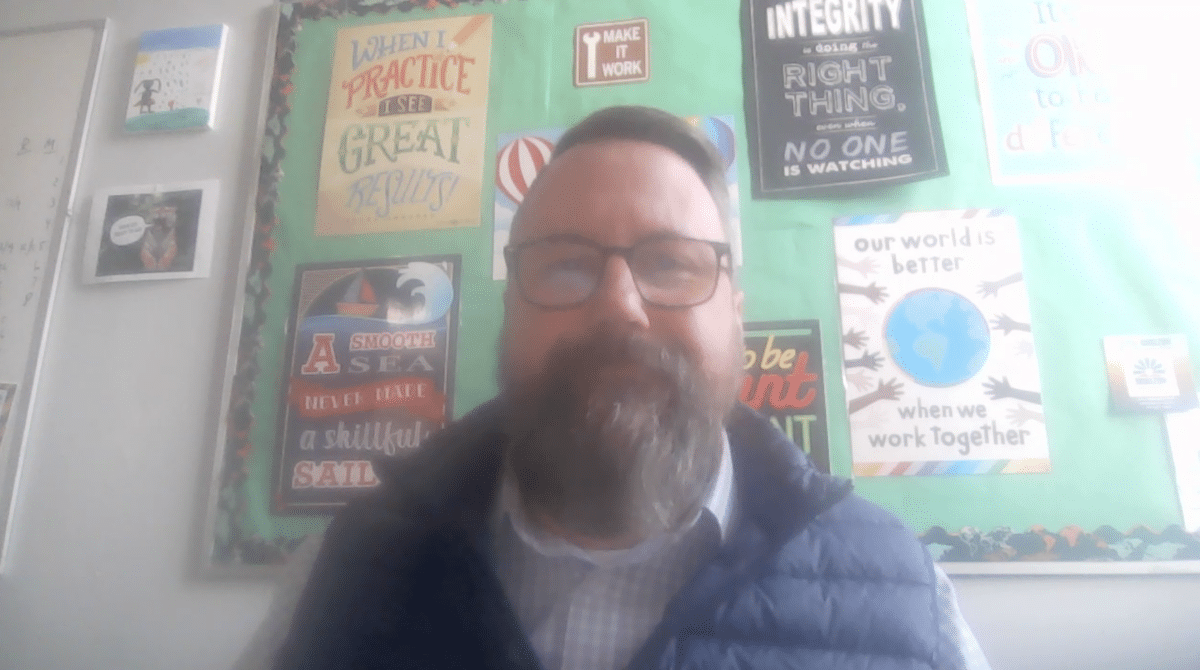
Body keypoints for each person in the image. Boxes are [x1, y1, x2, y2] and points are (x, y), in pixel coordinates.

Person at [239, 105, 990, 670]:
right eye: (564, 263)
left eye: (671, 262)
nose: (619, 306)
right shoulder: (342, 570)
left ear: (736, 313)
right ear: (511, 307)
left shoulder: (908, 600)